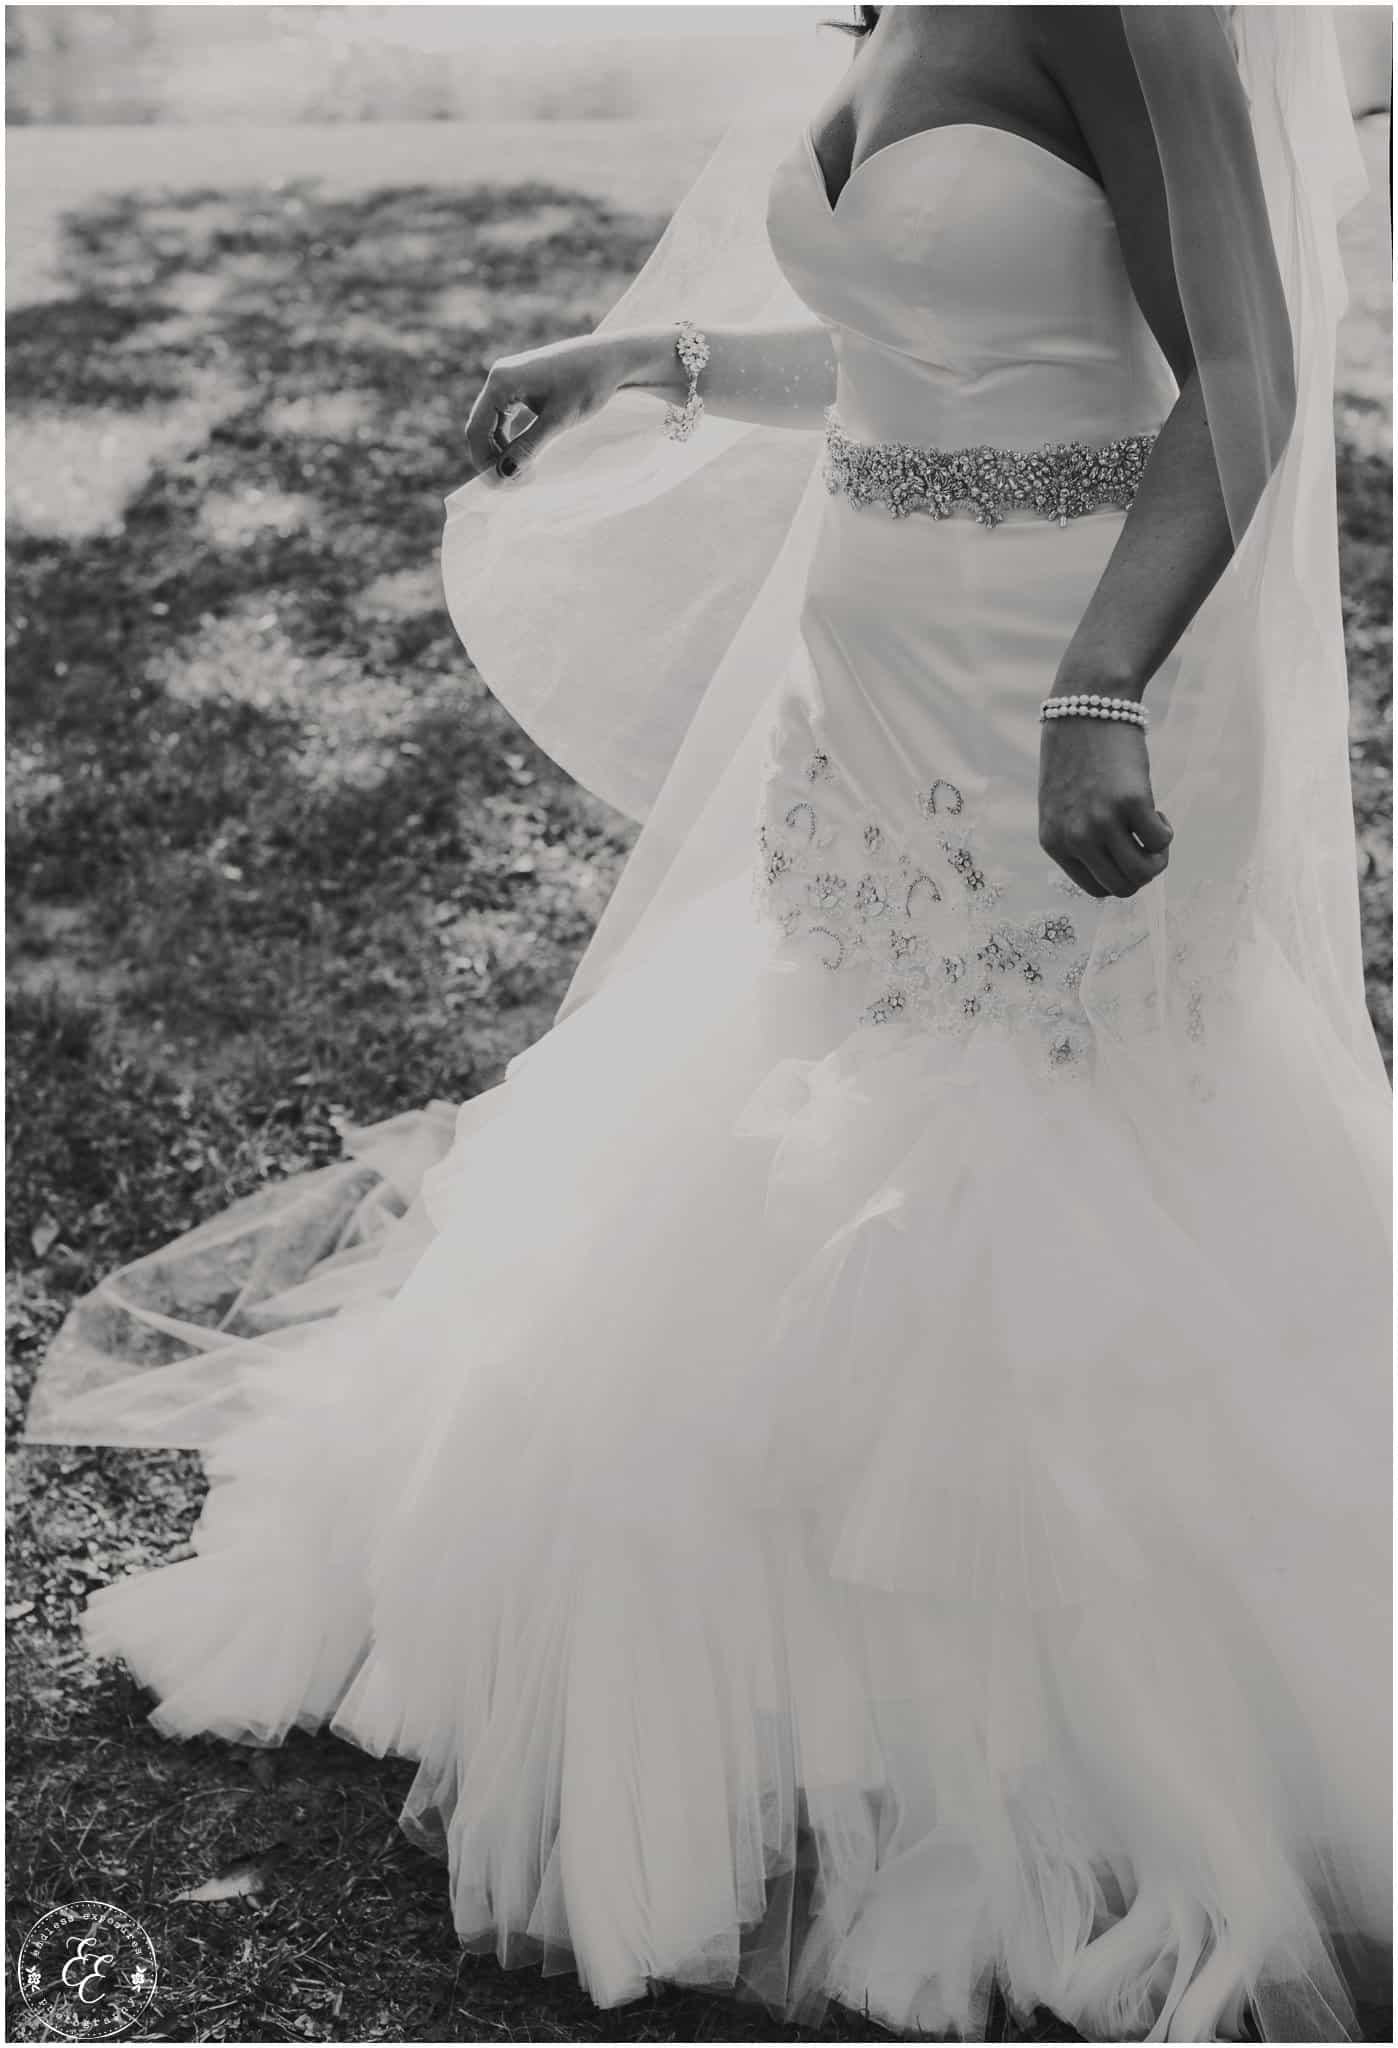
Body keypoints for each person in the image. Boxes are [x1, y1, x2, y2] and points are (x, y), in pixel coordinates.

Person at [24, 7, 1390, 2041]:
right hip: (873, 670)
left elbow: (1247, 379)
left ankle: (1024, 1732)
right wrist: (646, 361)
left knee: (1047, 1153)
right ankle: (780, 1668)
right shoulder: (901, 15)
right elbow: (921, 350)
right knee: (818, 1123)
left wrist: (1099, 685)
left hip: (1066, 677)